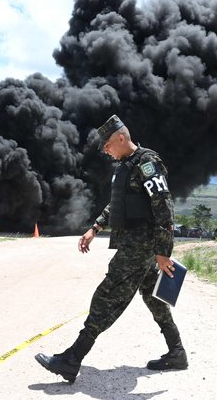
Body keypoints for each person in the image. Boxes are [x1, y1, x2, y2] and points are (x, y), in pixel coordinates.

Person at [35, 114, 188, 383]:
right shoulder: (125, 166)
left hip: (138, 248)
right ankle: (177, 352)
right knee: (155, 298)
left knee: (106, 297)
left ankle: (72, 359)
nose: (105, 151)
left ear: (120, 137)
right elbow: (117, 205)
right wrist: (95, 228)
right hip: (137, 246)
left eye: (107, 145)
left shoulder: (147, 163)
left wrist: (164, 251)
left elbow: (164, 207)